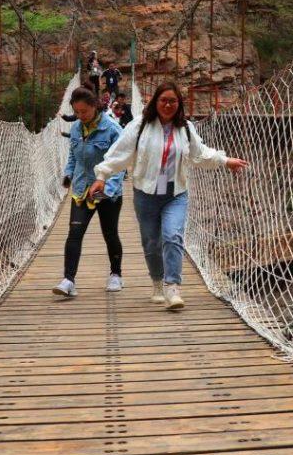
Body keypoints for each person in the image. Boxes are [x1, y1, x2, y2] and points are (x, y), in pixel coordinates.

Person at [89, 82, 249, 310]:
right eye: (163, 100)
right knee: (151, 242)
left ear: (179, 104)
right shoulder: (140, 126)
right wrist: (102, 176)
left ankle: (172, 287)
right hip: (145, 194)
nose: (168, 105)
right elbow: (120, 153)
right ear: (155, 102)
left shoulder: (185, 128)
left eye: (173, 101)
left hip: (175, 193)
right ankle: (157, 281)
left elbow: (200, 154)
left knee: (173, 236)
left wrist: (225, 161)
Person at [54, 87, 127, 298]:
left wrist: (107, 188)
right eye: (76, 112)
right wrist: (68, 174)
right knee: (74, 233)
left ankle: (116, 274)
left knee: (109, 233)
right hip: (81, 189)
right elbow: (73, 155)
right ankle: (68, 280)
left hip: (107, 190)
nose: (80, 116)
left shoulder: (113, 129)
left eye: (84, 111)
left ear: (95, 106)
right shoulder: (76, 128)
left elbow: (120, 164)